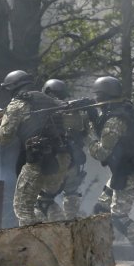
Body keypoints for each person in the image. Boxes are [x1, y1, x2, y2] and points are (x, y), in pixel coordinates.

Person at [0, 70, 71, 226]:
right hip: (61, 159)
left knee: (23, 209)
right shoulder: (48, 100)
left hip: (39, 159)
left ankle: (33, 246)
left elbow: (3, 137)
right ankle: (59, 237)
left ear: (14, 87)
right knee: (45, 202)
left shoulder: (18, 103)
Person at [88, 76, 134, 266]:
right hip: (125, 168)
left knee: (118, 216)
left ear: (102, 95)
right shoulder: (124, 109)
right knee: (100, 208)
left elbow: (101, 152)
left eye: (97, 96)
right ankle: (99, 251)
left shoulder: (115, 118)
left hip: (128, 171)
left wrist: (88, 134)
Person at [34, 79, 98, 221]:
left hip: (54, 163)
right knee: (72, 194)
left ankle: (55, 227)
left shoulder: (44, 113)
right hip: (74, 162)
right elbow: (88, 133)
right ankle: (71, 224)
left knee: (44, 200)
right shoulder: (76, 112)